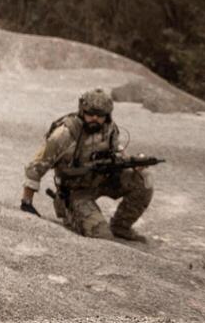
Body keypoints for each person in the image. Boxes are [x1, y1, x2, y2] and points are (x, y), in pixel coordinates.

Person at [20, 88, 152, 241]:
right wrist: (26, 203)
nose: (95, 118)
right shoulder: (65, 134)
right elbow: (36, 168)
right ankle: (73, 215)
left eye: (100, 115)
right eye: (90, 114)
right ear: (82, 111)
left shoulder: (109, 129)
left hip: (101, 180)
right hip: (76, 192)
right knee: (103, 237)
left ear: (107, 115)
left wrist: (131, 163)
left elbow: (116, 149)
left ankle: (121, 227)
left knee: (144, 179)